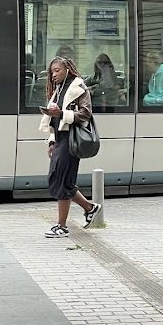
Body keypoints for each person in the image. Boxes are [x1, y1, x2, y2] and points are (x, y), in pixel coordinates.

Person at [39, 56, 102, 238]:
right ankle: (90, 208)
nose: (53, 75)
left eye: (57, 70)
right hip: (60, 139)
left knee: (61, 180)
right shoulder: (59, 89)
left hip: (71, 139)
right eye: (52, 72)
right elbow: (55, 119)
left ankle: (62, 226)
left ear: (68, 70)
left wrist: (62, 113)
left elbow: (86, 113)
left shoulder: (78, 87)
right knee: (60, 180)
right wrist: (52, 140)